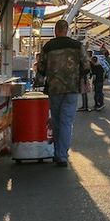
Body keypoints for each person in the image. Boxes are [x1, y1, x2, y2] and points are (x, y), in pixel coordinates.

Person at [36, 20, 89, 166]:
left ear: (55, 30)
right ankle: (62, 155)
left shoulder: (48, 46)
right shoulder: (77, 46)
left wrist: (39, 82)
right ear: (67, 30)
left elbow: (40, 68)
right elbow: (86, 66)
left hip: (54, 88)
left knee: (56, 121)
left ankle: (57, 152)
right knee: (66, 122)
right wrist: (81, 78)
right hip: (72, 88)